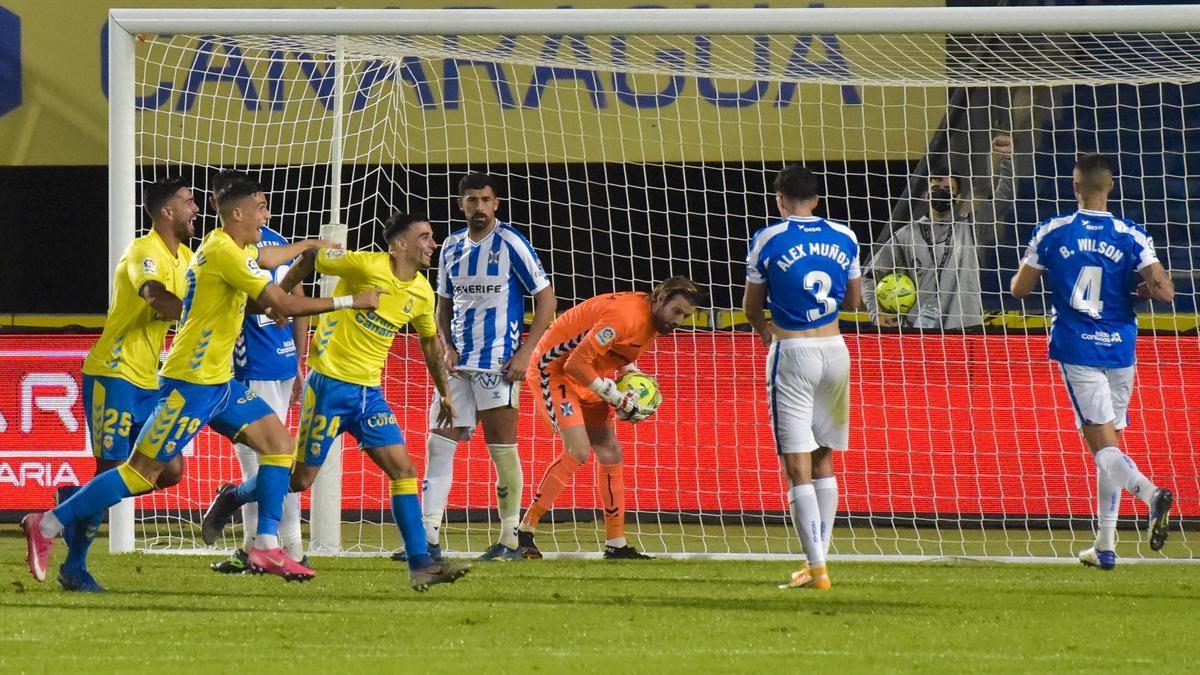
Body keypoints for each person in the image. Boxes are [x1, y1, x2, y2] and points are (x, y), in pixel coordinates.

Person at [21, 176, 372, 585]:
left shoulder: (221, 249)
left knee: (278, 445)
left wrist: (306, 246)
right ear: (238, 214)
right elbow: (278, 300)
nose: (267, 216)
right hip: (184, 379)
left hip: (217, 381)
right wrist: (351, 301)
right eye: (260, 209)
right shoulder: (209, 250)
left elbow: (270, 258)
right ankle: (49, 524)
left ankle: (265, 544)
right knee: (137, 473)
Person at [201, 213, 472, 592]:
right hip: (328, 387)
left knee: (405, 471)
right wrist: (281, 302)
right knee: (299, 479)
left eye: (432, 237)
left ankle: (421, 565)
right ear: (400, 245)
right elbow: (313, 259)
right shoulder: (364, 266)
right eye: (425, 237)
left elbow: (428, 340)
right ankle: (235, 495)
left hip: (369, 395)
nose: (432, 244)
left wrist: (443, 390)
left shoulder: (422, 293)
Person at [1010, 153, 1175, 570]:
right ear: (1111, 187)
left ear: (1075, 185)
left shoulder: (1053, 231)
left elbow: (1018, 290)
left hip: (1078, 347)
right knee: (1113, 443)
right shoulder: (1131, 234)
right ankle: (1105, 545)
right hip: (1121, 348)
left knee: (1102, 448)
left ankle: (1151, 493)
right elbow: (1165, 293)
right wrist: (1139, 287)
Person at [54, 177, 198, 591]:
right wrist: (192, 314)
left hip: (148, 381)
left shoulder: (188, 258)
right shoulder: (142, 251)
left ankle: (74, 501)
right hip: (113, 374)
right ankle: (74, 569)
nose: (196, 210)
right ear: (167, 212)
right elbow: (154, 295)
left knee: (169, 470)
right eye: (188, 202)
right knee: (111, 470)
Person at [516, 277, 704, 560]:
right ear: (660, 298)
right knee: (578, 450)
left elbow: (617, 351)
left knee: (610, 451)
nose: (679, 320)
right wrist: (615, 397)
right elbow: (574, 362)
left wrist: (633, 375)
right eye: (677, 311)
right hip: (552, 370)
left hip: (586, 374)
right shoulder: (625, 315)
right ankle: (524, 531)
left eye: (686, 316)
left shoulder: (653, 322)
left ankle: (616, 544)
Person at [421, 172, 557, 562]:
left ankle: (510, 540)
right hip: (457, 365)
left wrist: (526, 353)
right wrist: (445, 346)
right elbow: (443, 305)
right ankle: (428, 537)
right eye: (471, 200)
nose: (478, 206)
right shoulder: (449, 247)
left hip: (497, 365)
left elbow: (546, 299)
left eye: (485, 199)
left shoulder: (512, 242)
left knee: (501, 449)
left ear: (495, 204)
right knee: (438, 443)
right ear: (460, 203)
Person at [743, 165, 862, 591]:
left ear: (779, 199)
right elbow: (853, 299)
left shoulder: (769, 238)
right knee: (824, 458)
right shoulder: (845, 236)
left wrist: (764, 333)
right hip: (835, 351)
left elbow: (752, 306)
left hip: (792, 351)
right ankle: (819, 563)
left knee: (797, 467)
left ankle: (817, 569)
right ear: (816, 199)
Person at [206, 170, 309, 574]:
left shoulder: (234, 249)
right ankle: (270, 547)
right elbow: (295, 299)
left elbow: (281, 302)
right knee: (276, 457)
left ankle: (271, 550)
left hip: (255, 366)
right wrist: (299, 361)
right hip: (282, 363)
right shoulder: (279, 245)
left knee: (264, 463)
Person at [864, 134, 1014, 329]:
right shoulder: (907, 234)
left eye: (947, 188)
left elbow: (1004, 197)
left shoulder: (971, 226)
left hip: (965, 328)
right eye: (936, 187)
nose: (941, 192)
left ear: (958, 196)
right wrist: (875, 312)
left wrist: (1007, 158)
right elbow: (868, 276)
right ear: (927, 194)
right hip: (919, 330)